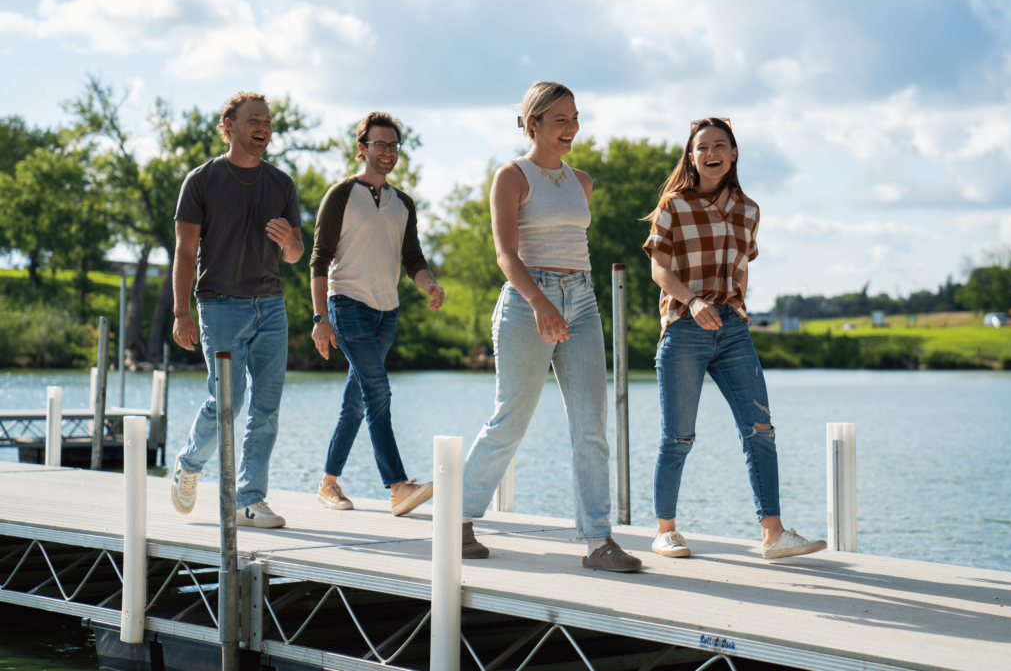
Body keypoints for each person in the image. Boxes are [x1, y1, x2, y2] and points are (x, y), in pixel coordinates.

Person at [460, 82, 642, 573]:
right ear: (532, 122)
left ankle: (598, 540)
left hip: (581, 301)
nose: (572, 127)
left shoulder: (582, 181)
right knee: (511, 420)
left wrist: (565, 299)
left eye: (576, 117)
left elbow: (572, 246)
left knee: (591, 426)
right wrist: (540, 303)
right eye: (561, 118)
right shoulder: (511, 177)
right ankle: (456, 518)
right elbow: (505, 254)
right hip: (527, 304)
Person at [642, 117, 826, 560]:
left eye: (720, 145)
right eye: (702, 147)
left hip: (733, 330)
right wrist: (692, 301)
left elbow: (741, 266)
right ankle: (666, 530)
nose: (711, 153)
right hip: (686, 326)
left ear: (734, 153)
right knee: (678, 437)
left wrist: (725, 308)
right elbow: (658, 269)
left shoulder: (749, 210)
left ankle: (773, 534)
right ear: (691, 156)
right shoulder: (673, 205)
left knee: (760, 429)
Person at [169, 92, 303, 529]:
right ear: (228, 126)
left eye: (267, 121)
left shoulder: (281, 183)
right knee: (227, 400)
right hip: (220, 305)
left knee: (267, 406)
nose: (263, 127)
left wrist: (289, 242)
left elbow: (297, 255)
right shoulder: (202, 181)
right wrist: (180, 312)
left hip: (271, 306)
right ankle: (190, 463)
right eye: (253, 120)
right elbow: (185, 252)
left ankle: (250, 499)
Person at [308, 112, 442, 516]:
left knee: (358, 402)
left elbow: (413, 258)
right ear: (361, 148)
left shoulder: (404, 203)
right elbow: (319, 260)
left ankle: (328, 484)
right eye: (379, 145)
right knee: (379, 392)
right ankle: (398, 486)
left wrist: (429, 284)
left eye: (393, 146)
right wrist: (320, 319)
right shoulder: (341, 195)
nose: (387, 152)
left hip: (388, 313)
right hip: (347, 306)